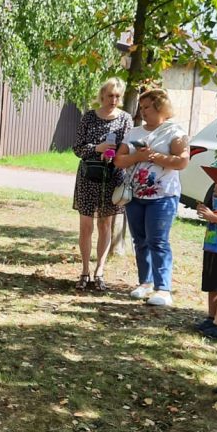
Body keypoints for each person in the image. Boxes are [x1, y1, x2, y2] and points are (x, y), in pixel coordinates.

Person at [114, 88, 188, 307]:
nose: (143, 111)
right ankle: (145, 283)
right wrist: (137, 156)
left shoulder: (174, 131)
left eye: (147, 107)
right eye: (141, 107)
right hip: (134, 195)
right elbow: (119, 160)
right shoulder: (134, 132)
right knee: (140, 240)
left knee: (158, 240)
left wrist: (154, 156)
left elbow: (182, 161)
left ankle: (163, 289)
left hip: (163, 196)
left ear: (160, 107)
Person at [72, 78, 133, 292]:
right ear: (102, 96)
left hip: (112, 177)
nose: (113, 100)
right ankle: (84, 270)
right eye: (110, 96)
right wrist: (98, 148)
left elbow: (128, 149)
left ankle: (100, 271)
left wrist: (114, 155)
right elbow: (77, 148)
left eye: (117, 96)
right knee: (86, 225)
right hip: (89, 176)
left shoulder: (125, 119)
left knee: (105, 224)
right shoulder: (89, 117)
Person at [195, 183, 217, 338]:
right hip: (213, 243)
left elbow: (213, 215)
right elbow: (209, 207)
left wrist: (214, 217)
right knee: (213, 283)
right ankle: (211, 318)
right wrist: (203, 210)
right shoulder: (215, 184)